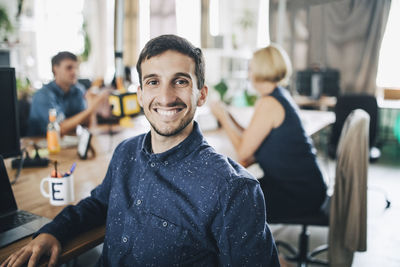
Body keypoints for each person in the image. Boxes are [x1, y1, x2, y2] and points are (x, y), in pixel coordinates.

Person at [1, 35, 280, 267]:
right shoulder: (126, 152)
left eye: (180, 81)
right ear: (140, 95)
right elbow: (99, 204)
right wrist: (53, 232)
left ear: (201, 94)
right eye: (153, 82)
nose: (166, 97)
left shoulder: (233, 189)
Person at [211, 44, 327, 220]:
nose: (249, 74)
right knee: (234, 193)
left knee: (228, 204)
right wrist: (228, 115)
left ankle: (247, 247)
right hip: (303, 187)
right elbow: (252, 136)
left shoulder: (269, 104)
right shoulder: (276, 96)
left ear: (260, 71)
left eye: (251, 69)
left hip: (299, 195)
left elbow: (244, 152)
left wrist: (223, 117)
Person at [27, 51, 110, 136]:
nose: (75, 72)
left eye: (76, 68)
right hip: (41, 144)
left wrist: (90, 101)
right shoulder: (43, 95)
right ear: (55, 69)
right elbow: (59, 129)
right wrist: (92, 108)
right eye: (69, 68)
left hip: (67, 143)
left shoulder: (78, 90)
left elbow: (88, 125)